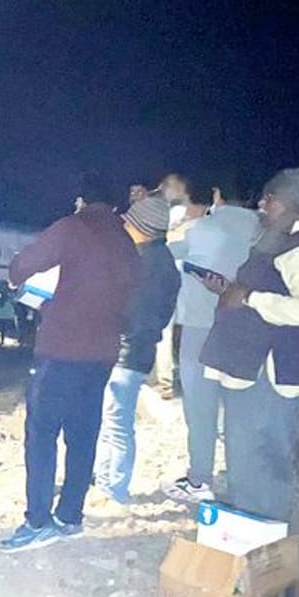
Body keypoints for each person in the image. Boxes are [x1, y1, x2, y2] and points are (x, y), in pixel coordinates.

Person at [0, 177, 140, 552]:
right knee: (83, 433)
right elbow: (128, 301)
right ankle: (70, 515)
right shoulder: (126, 243)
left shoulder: (72, 228)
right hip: (103, 354)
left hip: (62, 350)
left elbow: (23, 265)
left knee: (42, 434)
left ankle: (38, 520)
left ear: (81, 201)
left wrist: (18, 279)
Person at [197, 169, 299, 522]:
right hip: (251, 369)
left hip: (269, 375)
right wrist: (230, 291)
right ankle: (247, 536)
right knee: (245, 461)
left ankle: (262, 541)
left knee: (263, 462)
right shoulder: (281, 238)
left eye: (268, 198)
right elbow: (261, 289)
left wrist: (249, 297)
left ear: (287, 203)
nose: (261, 203)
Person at [162, 177, 260, 503]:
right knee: (240, 407)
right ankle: (242, 481)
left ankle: (199, 478)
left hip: (201, 327)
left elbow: (166, 252)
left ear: (217, 194)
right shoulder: (264, 231)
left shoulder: (203, 228)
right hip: (248, 327)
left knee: (200, 406)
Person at [92, 195, 181, 506]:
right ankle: (104, 480)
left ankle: (115, 491)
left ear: (144, 229)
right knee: (111, 419)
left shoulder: (146, 265)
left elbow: (136, 316)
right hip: (135, 351)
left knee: (117, 423)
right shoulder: (161, 261)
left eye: (129, 223)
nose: (124, 227)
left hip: (127, 352)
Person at [150, 174, 190, 398]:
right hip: (187, 281)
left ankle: (164, 382)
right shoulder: (197, 214)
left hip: (169, 279)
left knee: (164, 330)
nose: (162, 188)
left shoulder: (175, 213)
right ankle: (169, 379)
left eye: (166, 185)